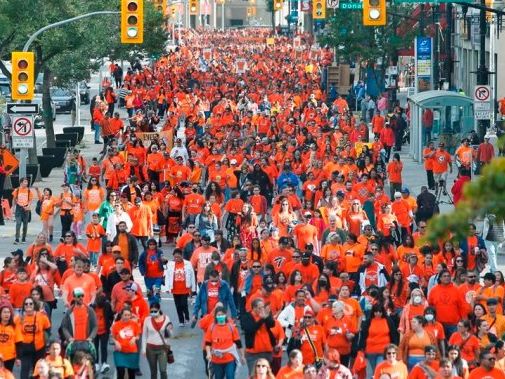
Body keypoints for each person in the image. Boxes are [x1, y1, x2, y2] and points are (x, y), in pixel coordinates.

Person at [14, 296, 51, 379]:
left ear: (34, 305)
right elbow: (14, 332)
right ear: (23, 306)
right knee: (25, 370)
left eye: (31, 303)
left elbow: (48, 329)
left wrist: (45, 340)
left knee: (38, 370)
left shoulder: (42, 316)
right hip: (25, 348)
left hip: (39, 348)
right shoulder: (18, 318)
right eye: (26, 304)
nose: (28, 305)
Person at [205, 305, 245, 379]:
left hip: (229, 358)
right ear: (215, 316)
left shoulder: (231, 327)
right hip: (216, 360)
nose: (221, 316)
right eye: (218, 315)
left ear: (226, 315)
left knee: (230, 376)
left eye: (222, 314)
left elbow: (238, 342)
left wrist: (242, 356)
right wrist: (208, 353)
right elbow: (208, 342)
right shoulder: (211, 327)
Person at [141, 302, 173, 379]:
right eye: (151, 311)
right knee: (153, 371)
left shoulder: (166, 318)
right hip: (150, 349)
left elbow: (170, 334)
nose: (153, 313)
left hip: (162, 348)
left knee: (163, 370)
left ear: (159, 310)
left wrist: (170, 346)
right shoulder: (147, 320)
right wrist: (143, 349)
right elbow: (144, 335)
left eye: (155, 311)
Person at [165, 248, 196, 327]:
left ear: (182, 256)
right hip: (175, 289)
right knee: (178, 305)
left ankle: (187, 317)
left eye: (178, 257)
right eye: (175, 257)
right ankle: (181, 320)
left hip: (185, 288)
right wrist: (167, 288)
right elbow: (167, 276)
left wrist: (193, 289)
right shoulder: (170, 264)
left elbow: (192, 276)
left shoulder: (188, 264)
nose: (177, 259)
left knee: (183, 304)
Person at [111, 307, 141, 379]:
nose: (127, 317)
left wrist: (134, 338)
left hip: (132, 352)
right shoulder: (116, 325)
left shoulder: (134, 324)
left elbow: (138, 335)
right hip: (120, 352)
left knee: (131, 374)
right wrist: (116, 342)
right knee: (120, 373)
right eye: (125, 315)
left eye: (128, 315)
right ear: (121, 315)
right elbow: (112, 337)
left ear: (131, 315)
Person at [138, 238, 167, 305]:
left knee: (157, 290)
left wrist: (165, 261)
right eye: (150, 244)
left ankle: (157, 303)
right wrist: (142, 271)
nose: (152, 246)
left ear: (156, 245)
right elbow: (140, 263)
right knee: (149, 292)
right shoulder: (144, 253)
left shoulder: (159, 252)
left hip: (158, 275)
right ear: (148, 245)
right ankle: (151, 304)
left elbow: (163, 260)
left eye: (153, 244)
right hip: (148, 276)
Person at [12, 177, 34, 244]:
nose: (26, 183)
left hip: (26, 209)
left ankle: (23, 238)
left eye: (27, 182)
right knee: (18, 223)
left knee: (25, 224)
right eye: (25, 182)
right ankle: (17, 238)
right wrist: (13, 208)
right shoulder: (17, 190)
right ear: (21, 183)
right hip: (19, 208)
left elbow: (30, 200)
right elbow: (14, 199)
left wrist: (28, 206)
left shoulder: (29, 191)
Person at [0, 306, 16, 371]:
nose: (7, 314)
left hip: (10, 357)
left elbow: (16, 342)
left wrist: (17, 357)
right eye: (4, 312)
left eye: (8, 312)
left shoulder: (14, 327)